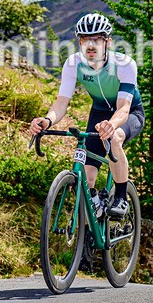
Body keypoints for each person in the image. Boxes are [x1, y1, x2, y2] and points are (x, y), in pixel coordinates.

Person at [30, 13, 144, 218]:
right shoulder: (73, 64)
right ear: (79, 41)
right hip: (99, 113)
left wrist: (111, 125)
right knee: (87, 178)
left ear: (107, 42)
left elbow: (124, 108)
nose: (90, 45)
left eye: (97, 39)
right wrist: (47, 120)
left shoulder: (124, 64)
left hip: (129, 113)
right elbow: (61, 103)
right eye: (84, 39)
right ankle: (90, 231)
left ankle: (120, 197)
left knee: (115, 137)